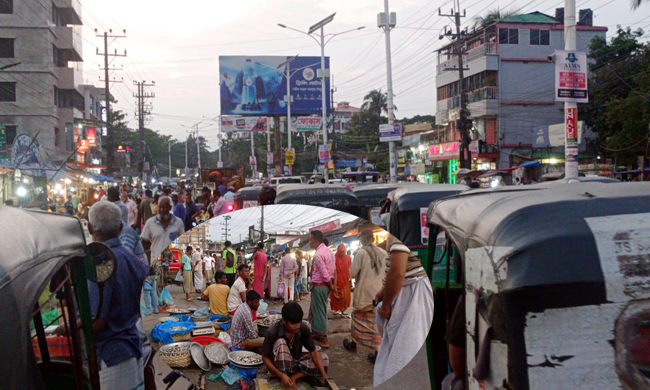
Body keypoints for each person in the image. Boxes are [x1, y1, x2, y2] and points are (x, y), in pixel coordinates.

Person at [84, 201, 148, 389]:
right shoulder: (131, 257)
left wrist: (70, 328)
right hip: (133, 349)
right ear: (121, 228)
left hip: (112, 357)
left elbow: (98, 322)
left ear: (88, 227)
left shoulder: (101, 263)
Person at [373, 235, 435, 386]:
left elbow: (398, 272)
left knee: (403, 352)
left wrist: (386, 304)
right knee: (397, 348)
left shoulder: (400, 232)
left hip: (410, 294)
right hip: (404, 291)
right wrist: (384, 290)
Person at [261, 302, 329, 389]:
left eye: (298, 323)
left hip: (294, 364)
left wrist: (325, 377)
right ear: (284, 321)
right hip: (277, 367)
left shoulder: (303, 328)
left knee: (324, 359)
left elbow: (313, 351)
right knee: (281, 343)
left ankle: (293, 377)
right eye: (293, 324)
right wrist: (281, 375)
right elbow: (265, 357)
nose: (297, 326)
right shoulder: (273, 331)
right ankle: (286, 381)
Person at [344, 228, 387, 363]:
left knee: (357, 319)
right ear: (373, 239)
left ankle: (354, 344)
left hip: (364, 294)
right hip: (379, 293)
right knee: (376, 323)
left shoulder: (361, 253)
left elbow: (352, 273)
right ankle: (377, 352)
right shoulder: (384, 253)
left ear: (362, 240)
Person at [308, 230, 336, 348]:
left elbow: (325, 274)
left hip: (320, 286)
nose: (309, 242)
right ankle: (317, 335)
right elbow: (333, 269)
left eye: (310, 240)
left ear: (315, 240)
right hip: (324, 286)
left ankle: (324, 340)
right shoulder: (329, 251)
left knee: (319, 312)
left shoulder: (318, 254)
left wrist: (331, 286)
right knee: (319, 311)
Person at [141, 196, 185, 264]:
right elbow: (143, 243)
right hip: (155, 263)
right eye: (160, 207)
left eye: (165, 207)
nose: (162, 209)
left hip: (173, 263)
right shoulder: (150, 222)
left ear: (170, 208)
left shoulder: (178, 222)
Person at [330, 243, 352, 314]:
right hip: (337, 280)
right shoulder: (334, 258)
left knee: (345, 297)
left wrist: (350, 278)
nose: (342, 253)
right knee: (336, 296)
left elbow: (350, 269)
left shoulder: (348, 258)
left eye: (343, 252)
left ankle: (343, 310)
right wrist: (334, 282)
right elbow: (334, 271)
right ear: (338, 251)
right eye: (340, 252)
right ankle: (338, 309)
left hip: (345, 280)